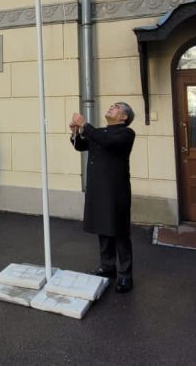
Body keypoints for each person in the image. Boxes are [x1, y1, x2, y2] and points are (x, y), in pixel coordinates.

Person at [70, 102, 137, 293]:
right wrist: (76, 132)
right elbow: (81, 145)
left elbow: (108, 143)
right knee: (103, 227)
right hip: (98, 188)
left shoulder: (126, 134)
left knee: (120, 232)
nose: (111, 107)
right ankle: (107, 267)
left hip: (116, 189)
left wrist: (85, 125)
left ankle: (125, 276)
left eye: (116, 107)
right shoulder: (100, 132)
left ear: (123, 117)